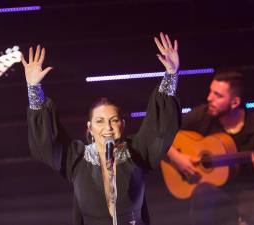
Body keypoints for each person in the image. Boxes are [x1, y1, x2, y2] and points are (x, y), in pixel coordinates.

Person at [22, 32, 181, 225]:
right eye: (99, 121)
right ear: (89, 127)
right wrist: (33, 87)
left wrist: (171, 75)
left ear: (123, 124)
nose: (107, 127)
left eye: (114, 120)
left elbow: (160, 123)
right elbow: (46, 141)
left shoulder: (137, 152)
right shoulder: (77, 158)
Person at [167, 70, 254, 225]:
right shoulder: (202, 115)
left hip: (248, 192)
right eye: (211, 92)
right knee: (203, 192)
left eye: (218, 95)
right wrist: (177, 157)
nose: (209, 98)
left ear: (235, 102)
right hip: (215, 193)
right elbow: (160, 135)